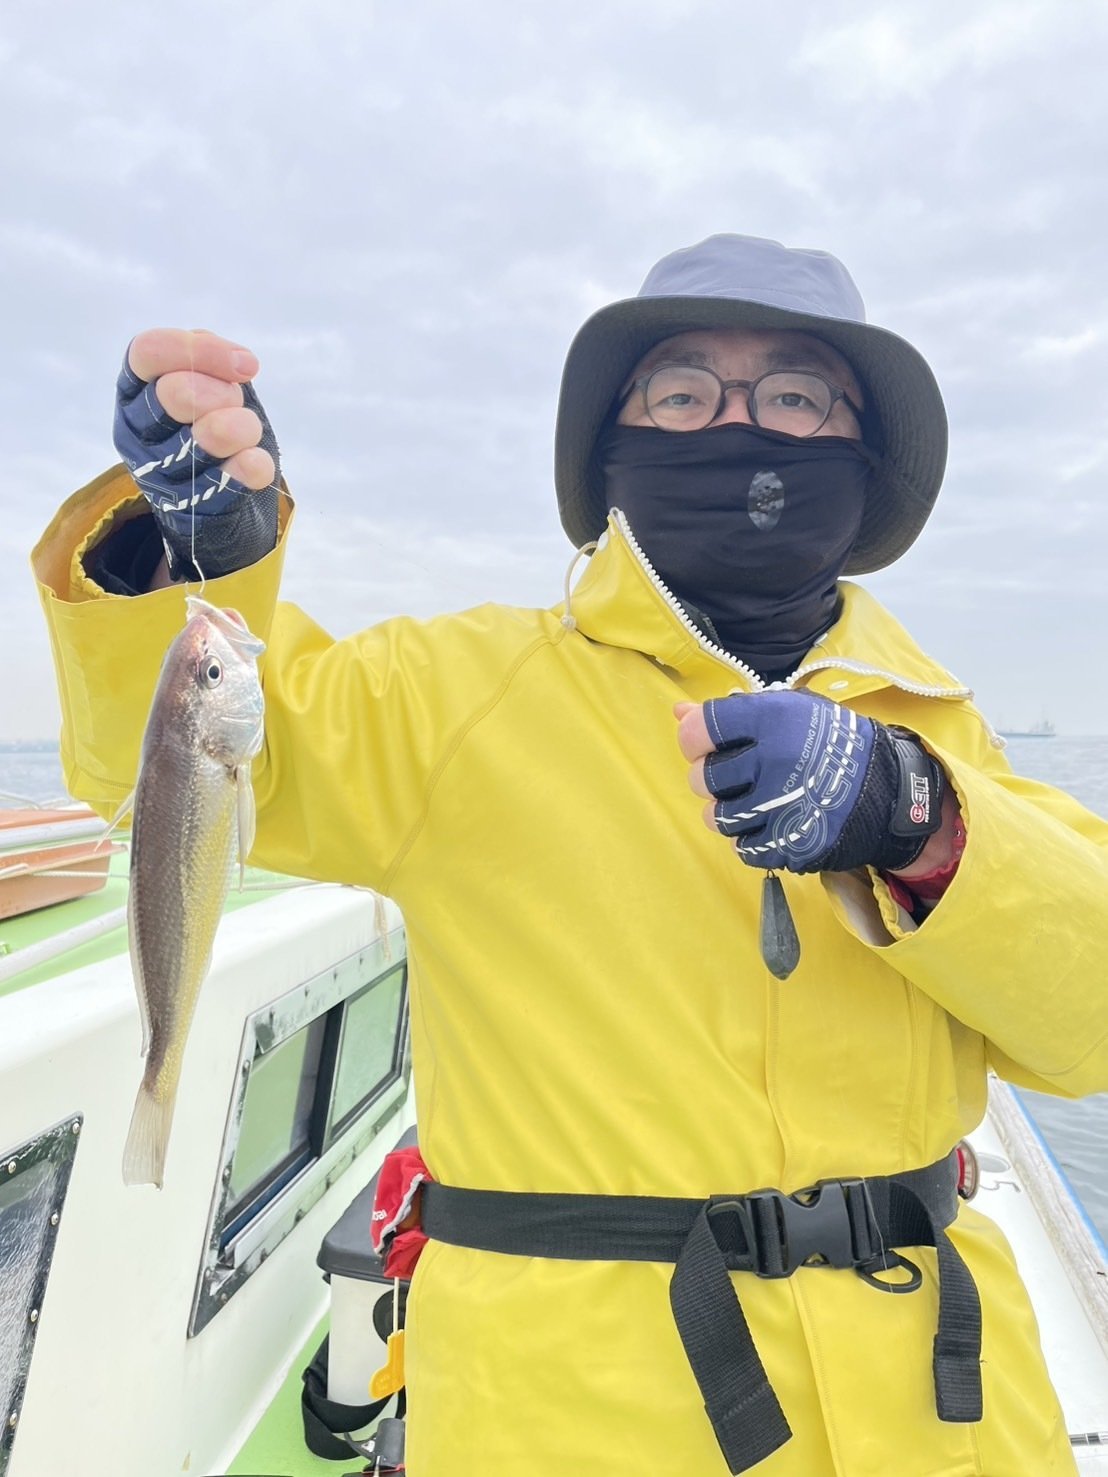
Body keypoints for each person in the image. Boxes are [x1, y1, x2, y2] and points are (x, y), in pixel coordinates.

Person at [32, 234, 1108, 1476]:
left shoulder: (939, 732)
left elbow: (1084, 1023)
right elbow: (179, 767)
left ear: (860, 461)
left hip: (950, 1418)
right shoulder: (451, 694)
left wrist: (916, 820)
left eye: (797, 397)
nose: (739, 425)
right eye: (683, 394)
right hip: (570, 1421)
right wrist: (180, 563)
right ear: (611, 452)